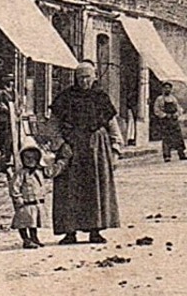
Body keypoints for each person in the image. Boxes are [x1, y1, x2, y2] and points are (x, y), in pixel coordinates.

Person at [50, 61, 121, 245]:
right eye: (80, 77)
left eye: (87, 77)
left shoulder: (101, 98)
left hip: (96, 148)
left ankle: (95, 231)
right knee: (69, 190)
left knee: (95, 189)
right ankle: (69, 232)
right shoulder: (65, 98)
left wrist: (115, 149)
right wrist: (60, 144)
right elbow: (54, 125)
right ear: (76, 78)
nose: (84, 81)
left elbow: (112, 124)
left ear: (94, 77)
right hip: (71, 148)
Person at [8, 138, 50, 249]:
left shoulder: (38, 172)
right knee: (22, 223)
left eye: (33, 158)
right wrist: (18, 198)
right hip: (25, 203)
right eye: (27, 158)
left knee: (33, 223)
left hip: (35, 202)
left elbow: (41, 184)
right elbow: (14, 187)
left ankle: (34, 238)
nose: (30, 161)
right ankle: (26, 240)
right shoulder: (21, 174)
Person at [151, 82, 187, 162]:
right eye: (166, 88)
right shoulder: (160, 99)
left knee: (178, 137)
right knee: (166, 138)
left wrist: (177, 114)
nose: (167, 89)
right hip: (165, 121)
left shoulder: (173, 99)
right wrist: (164, 115)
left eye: (169, 88)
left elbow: (179, 108)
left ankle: (181, 154)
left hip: (174, 120)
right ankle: (167, 155)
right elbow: (156, 110)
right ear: (163, 89)